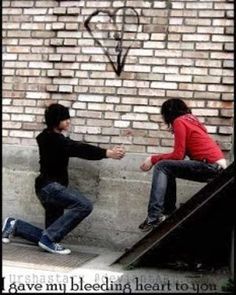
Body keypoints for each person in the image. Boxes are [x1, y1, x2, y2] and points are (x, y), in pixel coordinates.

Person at [2, 103, 125, 254]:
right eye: (65, 119)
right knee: (84, 205)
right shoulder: (53, 139)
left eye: (68, 118)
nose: (68, 122)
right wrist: (107, 153)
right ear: (56, 120)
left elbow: (73, 146)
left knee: (51, 236)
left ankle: (14, 225)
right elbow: (79, 148)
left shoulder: (52, 138)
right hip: (50, 188)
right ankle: (47, 239)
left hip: (50, 188)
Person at [139, 98, 227, 232]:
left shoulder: (179, 121)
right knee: (168, 168)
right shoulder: (191, 120)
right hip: (217, 167)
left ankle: (154, 216)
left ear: (168, 112)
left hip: (210, 166)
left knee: (162, 166)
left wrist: (153, 159)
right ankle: (168, 212)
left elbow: (177, 155)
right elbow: (181, 155)